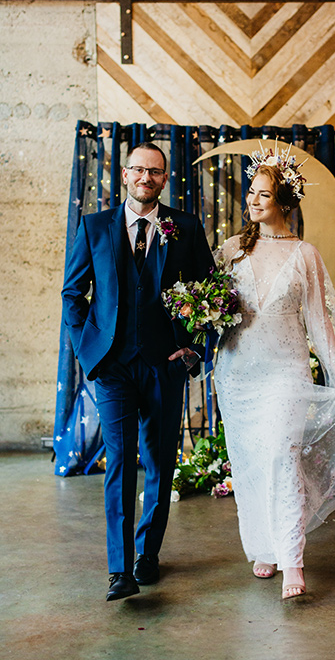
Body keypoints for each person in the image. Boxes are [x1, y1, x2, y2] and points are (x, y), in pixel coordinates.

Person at [214, 147, 335, 600]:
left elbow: (322, 322)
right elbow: (210, 307)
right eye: (251, 192)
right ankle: (262, 547)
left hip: (286, 371)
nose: (254, 200)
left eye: (264, 194)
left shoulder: (305, 255)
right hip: (238, 371)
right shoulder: (231, 249)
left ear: (284, 200)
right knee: (251, 462)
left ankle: (293, 561)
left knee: (283, 456)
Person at [62, 142, 214, 601]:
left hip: (164, 366)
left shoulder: (184, 227)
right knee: (121, 462)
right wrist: (88, 350)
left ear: (165, 179)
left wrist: (192, 347)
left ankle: (148, 554)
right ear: (124, 175)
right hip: (112, 368)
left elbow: (210, 291)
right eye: (138, 170)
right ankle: (118, 569)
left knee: (160, 462)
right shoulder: (94, 227)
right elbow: (73, 293)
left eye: (155, 171)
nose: (146, 177)